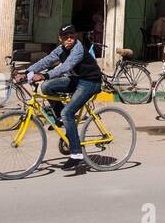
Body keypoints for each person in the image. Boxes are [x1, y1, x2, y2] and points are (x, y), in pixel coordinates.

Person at [19, 24, 104, 166]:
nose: (69, 40)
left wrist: (45, 75)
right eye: (66, 38)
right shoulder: (61, 49)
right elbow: (47, 61)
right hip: (77, 79)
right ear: (60, 39)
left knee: (67, 113)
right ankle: (60, 117)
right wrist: (27, 72)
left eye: (72, 37)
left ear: (75, 37)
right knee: (47, 87)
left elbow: (65, 67)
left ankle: (76, 154)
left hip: (90, 82)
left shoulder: (77, 49)